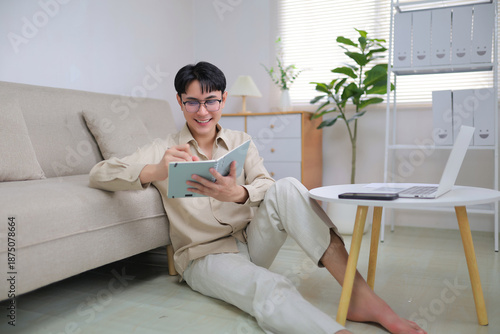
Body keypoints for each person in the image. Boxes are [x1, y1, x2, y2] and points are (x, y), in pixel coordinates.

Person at [89, 61, 426, 334]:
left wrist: (240, 193)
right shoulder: (163, 149)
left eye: (211, 101)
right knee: (269, 286)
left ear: (223, 99)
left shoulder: (240, 140)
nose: (202, 111)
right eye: (192, 101)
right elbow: (100, 173)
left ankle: (361, 296)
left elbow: (267, 184)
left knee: (289, 186)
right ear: (180, 101)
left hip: (251, 242)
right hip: (206, 257)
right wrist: (154, 171)